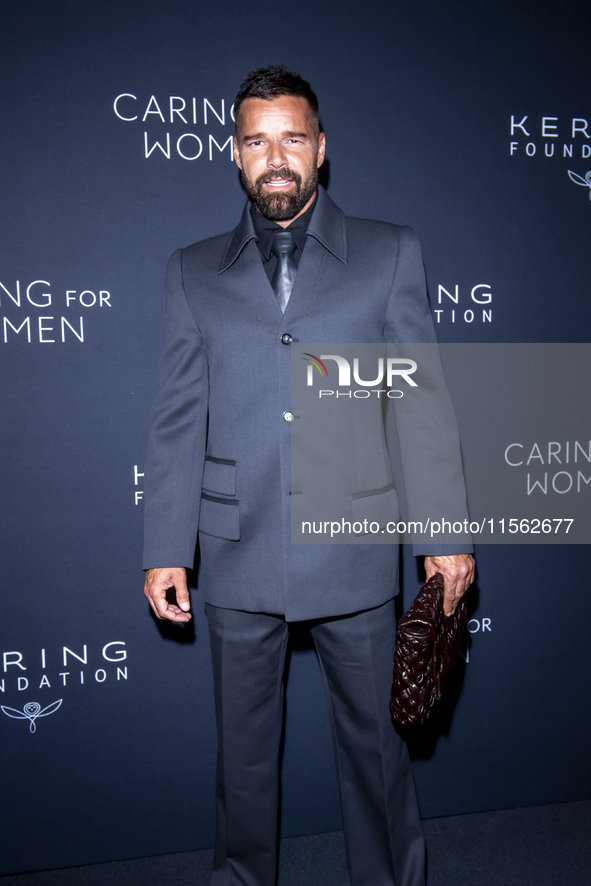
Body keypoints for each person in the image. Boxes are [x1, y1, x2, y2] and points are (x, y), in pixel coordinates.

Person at [143, 65, 474, 886]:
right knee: (243, 764)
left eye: (293, 136)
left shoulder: (389, 253)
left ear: (321, 149)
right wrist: (163, 547)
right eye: (257, 140)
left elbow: (420, 406)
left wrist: (443, 536)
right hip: (236, 545)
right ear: (235, 154)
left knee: (376, 751)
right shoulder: (191, 270)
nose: (276, 155)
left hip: (356, 543)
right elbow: (177, 418)